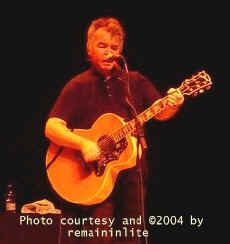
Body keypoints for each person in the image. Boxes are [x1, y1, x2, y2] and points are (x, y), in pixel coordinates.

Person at [45, 17, 184, 244]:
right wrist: (84, 144)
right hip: (95, 178)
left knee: (132, 237)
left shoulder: (134, 81)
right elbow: (51, 127)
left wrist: (174, 103)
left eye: (114, 47)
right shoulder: (78, 85)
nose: (109, 52)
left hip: (132, 175)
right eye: (102, 46)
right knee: (99, 238)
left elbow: (160, 113)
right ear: (89, 48)